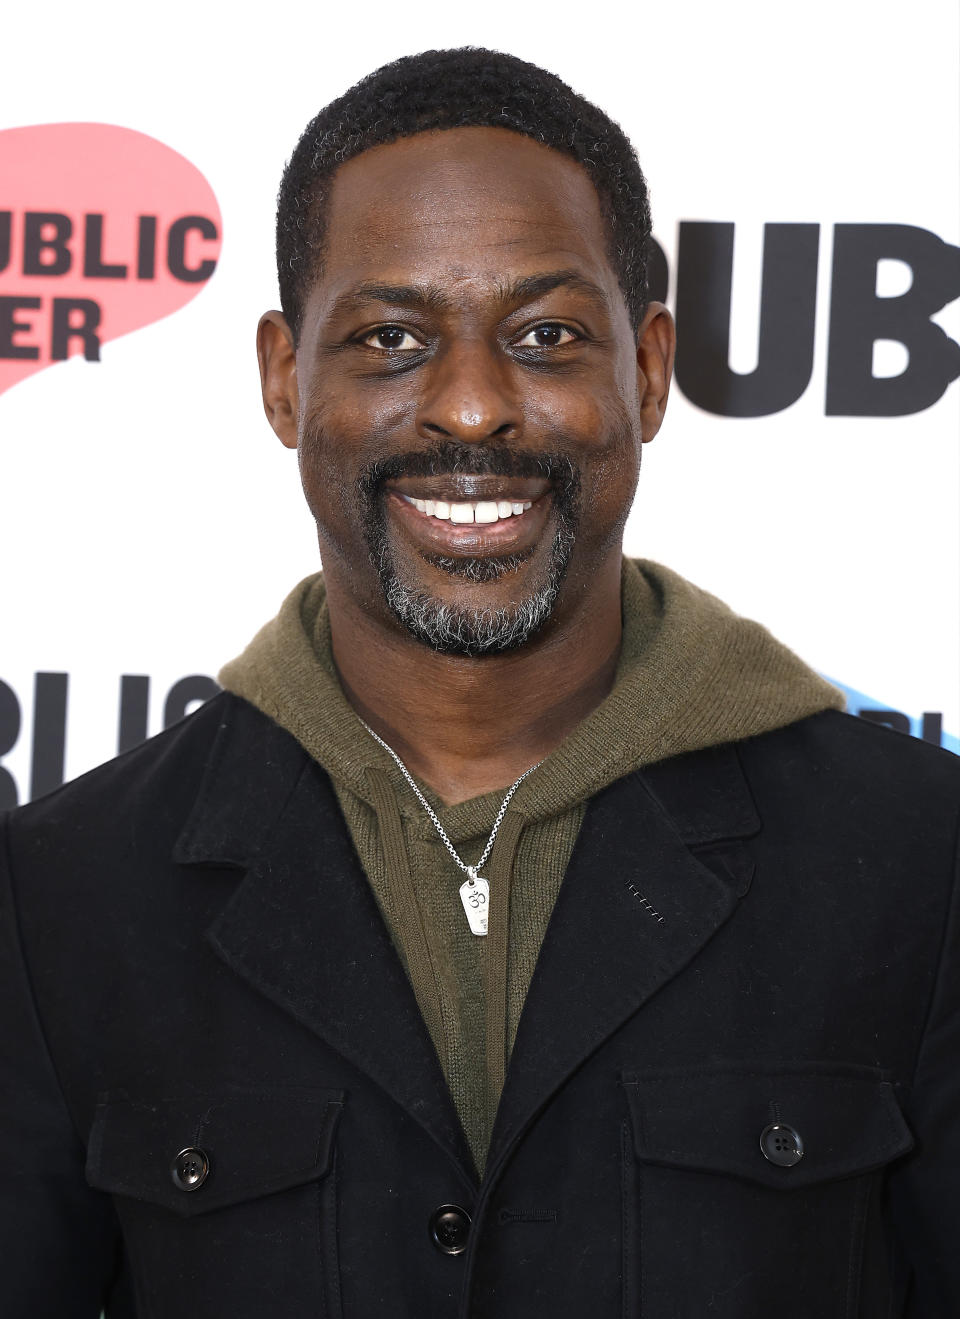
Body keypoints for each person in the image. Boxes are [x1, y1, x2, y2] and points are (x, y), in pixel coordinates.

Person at [1, 47, 957, 1319]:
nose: (468, 406)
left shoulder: (920, 855)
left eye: (546, 334)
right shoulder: (66, 891)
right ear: (287, 379)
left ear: (650, 369)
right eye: (391, 337)